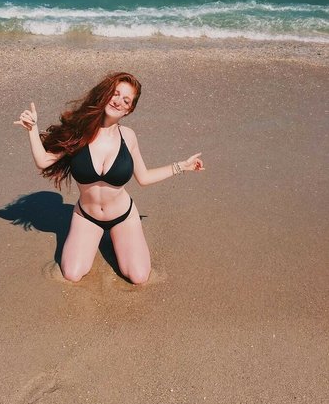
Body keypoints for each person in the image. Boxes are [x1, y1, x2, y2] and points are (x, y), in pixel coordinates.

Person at [14, 72, 204, 285]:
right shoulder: (79, 132)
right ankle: (103, 238)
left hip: (123, 216)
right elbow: (43, 161)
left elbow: (143, 177)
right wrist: (32, 130)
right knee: (72, 274)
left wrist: (181, 166)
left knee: (139, 277)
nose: (118, 101)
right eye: (115, 94)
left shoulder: (128, 137)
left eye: (126, 100)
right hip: (87, 216)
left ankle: (119, 238)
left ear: (129, 109)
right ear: (105, 94)